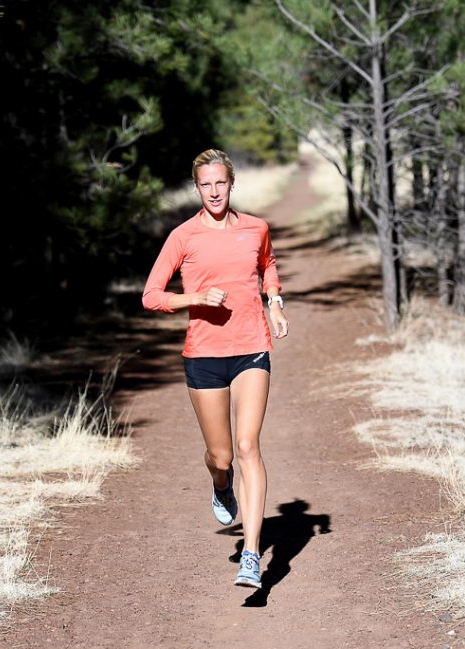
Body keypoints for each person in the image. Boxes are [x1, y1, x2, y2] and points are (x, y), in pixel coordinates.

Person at [142, 148, 289, 589]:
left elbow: (268, 267)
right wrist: (195, 299)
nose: (213, 192)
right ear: (196, 188)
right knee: (222, 456)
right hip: (203, 357)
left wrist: (275, 304)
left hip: (251, 350)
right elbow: (152, 295)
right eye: (205, 185)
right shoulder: (183, 237)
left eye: (220, 183)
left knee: (248, 446)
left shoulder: (255, 228)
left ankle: (250, 554)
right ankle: (220, 483)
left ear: (231, 183)